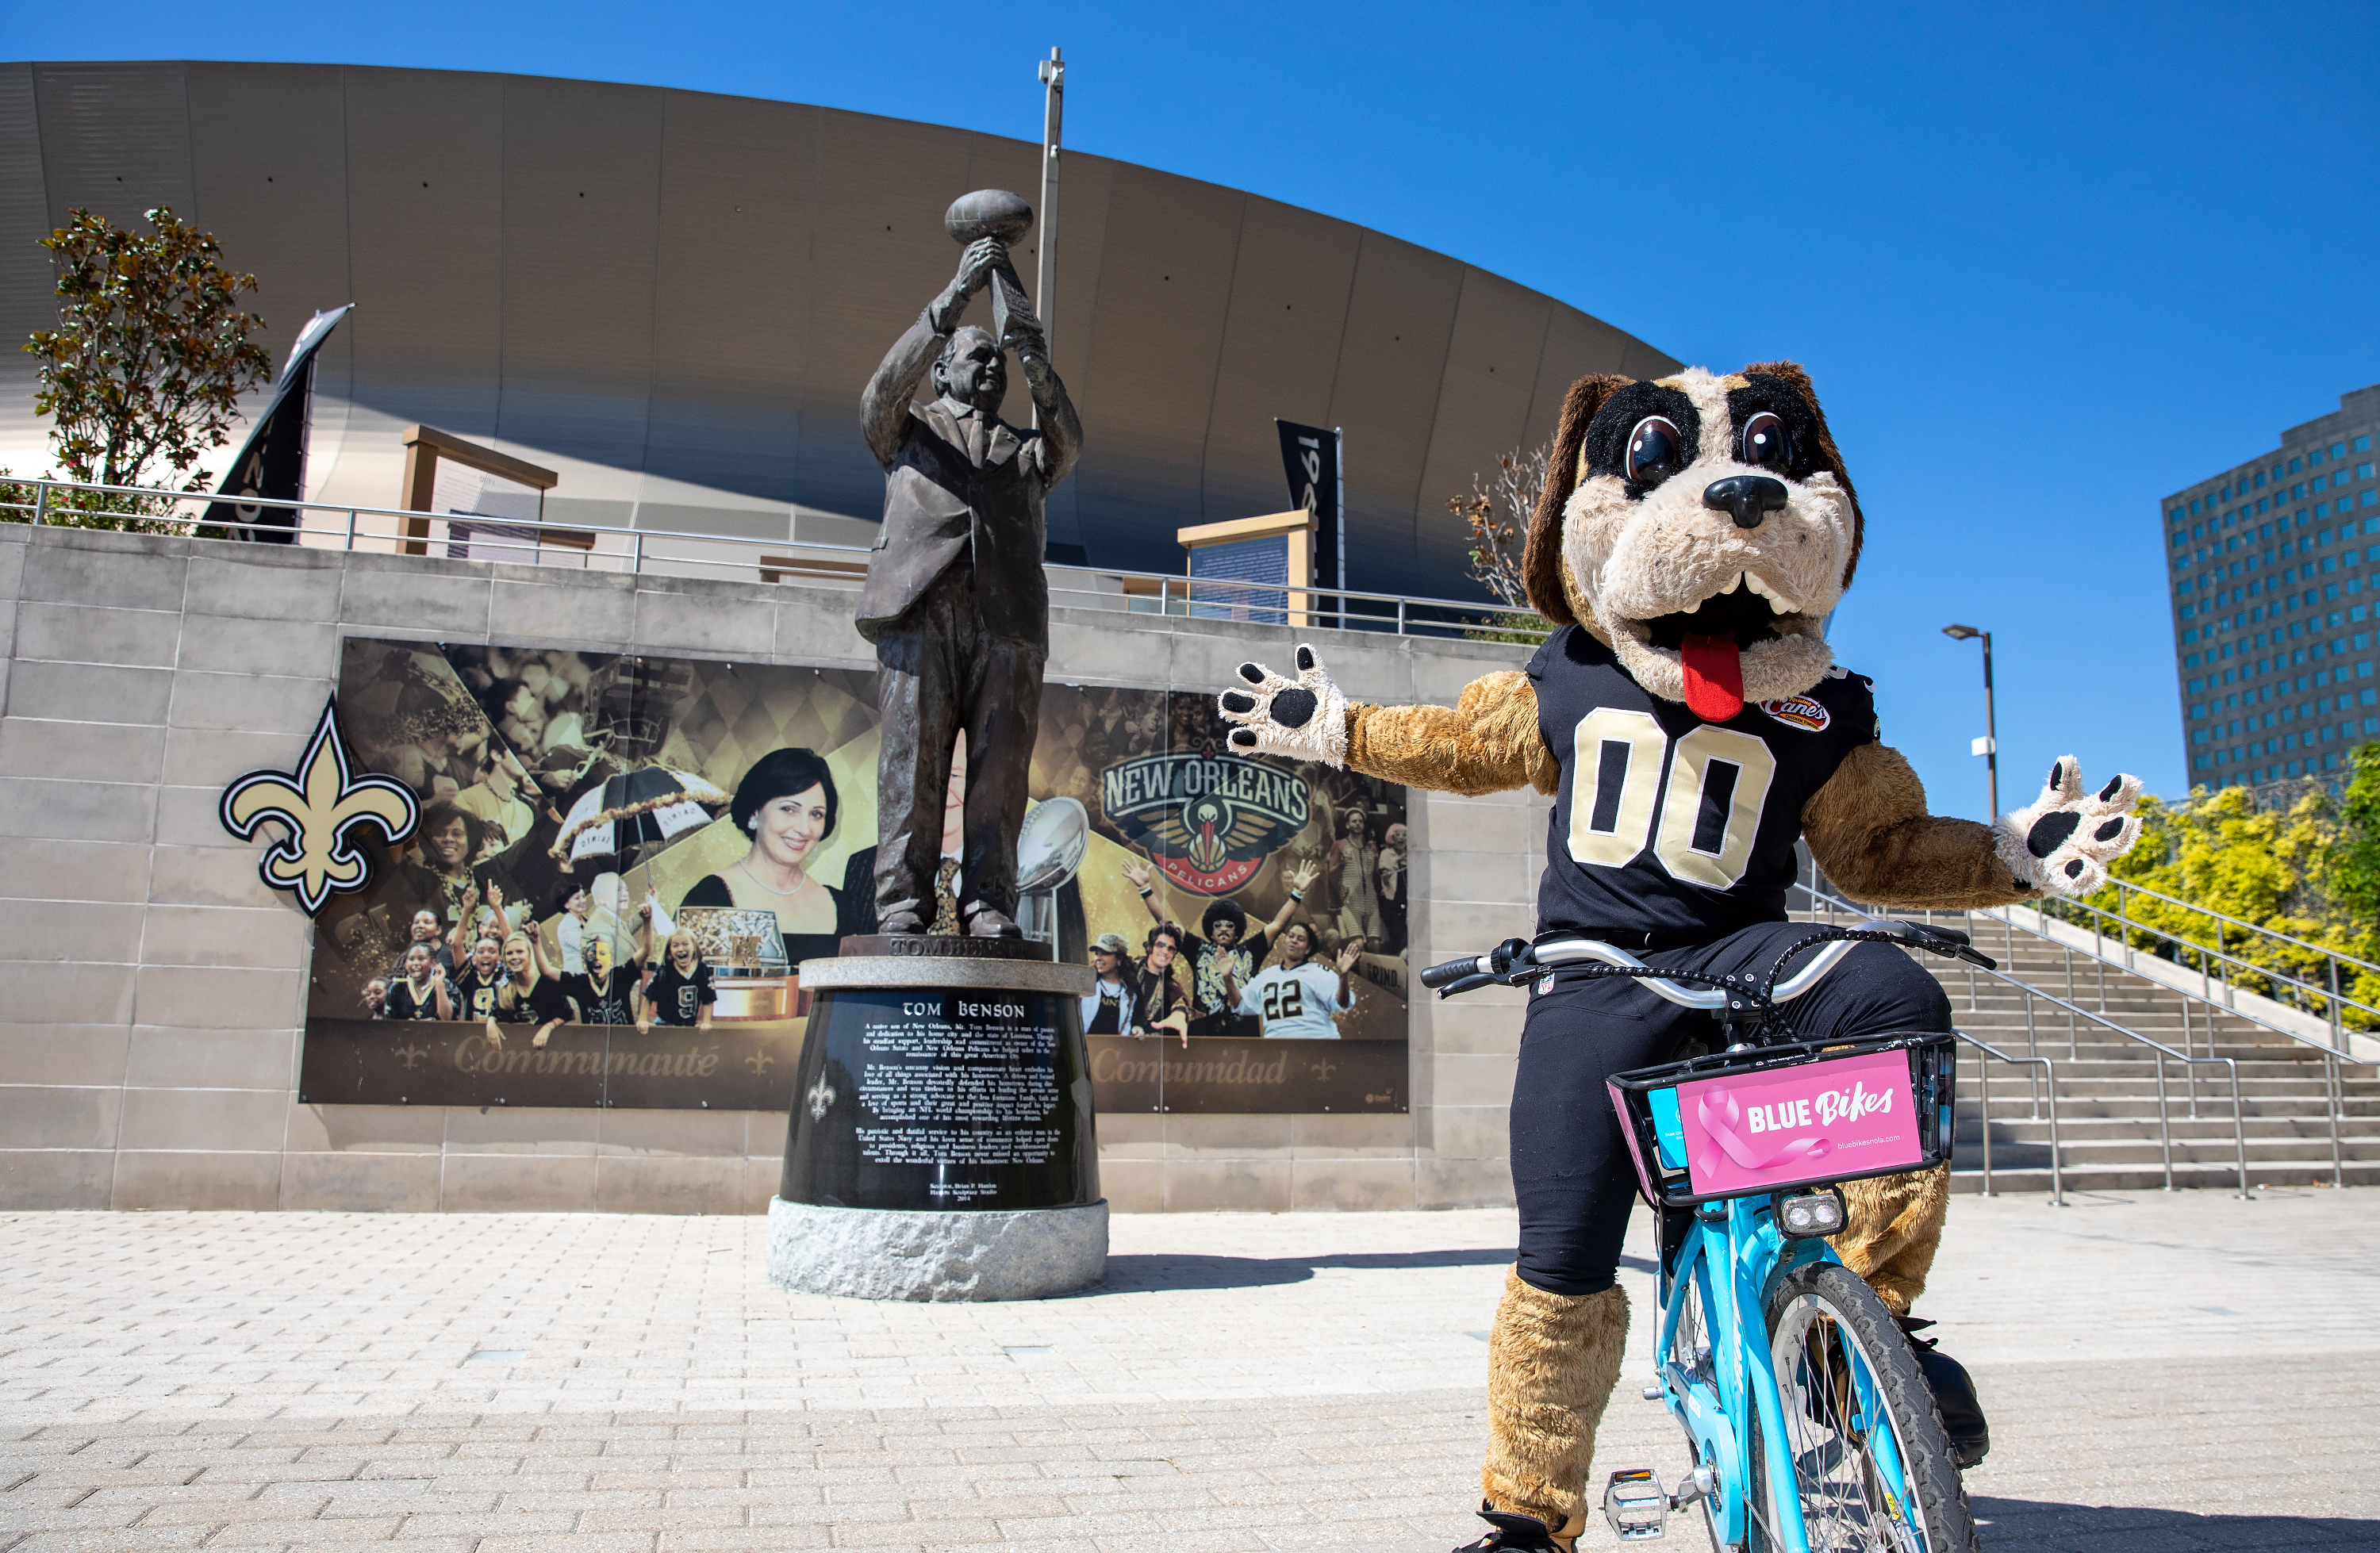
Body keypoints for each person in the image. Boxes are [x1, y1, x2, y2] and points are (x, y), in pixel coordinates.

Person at [856, 229, 1081, 938]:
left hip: (1006, 624)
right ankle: (902, 904)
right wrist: (953, 300)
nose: (992, 369)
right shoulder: (909, 430)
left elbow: (1068, 434)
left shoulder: (1027, 452)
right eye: (976, 358)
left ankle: (987, 901)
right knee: (911, 766)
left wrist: (1028, 344)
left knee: (999, 776)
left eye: (998, 363)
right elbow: (880, 390)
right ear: (943, 369)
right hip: (923, 611)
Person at [681, 747, 857, 964]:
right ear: (755, 812)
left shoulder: (842, 905)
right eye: (788, 809)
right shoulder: (708, 900)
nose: (804, 828)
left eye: (816, 814)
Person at [1123, 857, 1319, 1037]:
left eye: (1229, 925)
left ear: (1237, 931)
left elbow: (1277, 925)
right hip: (1203, 1033)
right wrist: (1145, 888)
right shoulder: (1198, 949)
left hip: (1245, 1034)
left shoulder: (1251, 950)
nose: (1224, 929)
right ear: (1211, 930)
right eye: (1218, 925)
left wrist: (1297, 893)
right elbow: (1167, 924)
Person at [1226, 922, 1360, 1039]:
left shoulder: (1318, 972)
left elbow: (1342, 1003)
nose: (1294, 941)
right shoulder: (1267, 975)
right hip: (1280, 1052)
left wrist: (1343, 977)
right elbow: (1240, 1004)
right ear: (1285, 941)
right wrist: (1227, 978)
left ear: (1308, 949)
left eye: (1300, 939)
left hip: (1318, 1046)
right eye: (1291, 936)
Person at [491, 933, 574, 1049]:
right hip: (518, 1050)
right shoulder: (505, 987)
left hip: (550, 1049)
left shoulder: (548, 982)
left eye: (520, 952)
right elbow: (495, 1013)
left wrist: (548, 1027)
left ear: (530, 954)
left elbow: (567, 1014)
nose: (514, 957)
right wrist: (491, 1023)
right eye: (509, 953)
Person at [638, 929, 716, 1032]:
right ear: (669, 950)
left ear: (694, 947)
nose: (680, 949)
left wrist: (706, 1023)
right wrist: (642, 1020)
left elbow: (708, 999)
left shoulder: (702, 969)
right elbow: (648, 996)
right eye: (675, 946)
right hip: (665, 1023)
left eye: (685, 944)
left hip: (688, 1025)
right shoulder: (665, 970)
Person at [1329, 808, 1384, 953]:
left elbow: (1375, 875)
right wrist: (1340, 869)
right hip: (1351, 902)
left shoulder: (1370, 847)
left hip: (1371, 902)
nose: (1358, 824)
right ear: (1347, 825)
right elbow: (1330, 872)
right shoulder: (1340, 845)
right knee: (1357, 943)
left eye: (1360, 821)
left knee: (1375, 944)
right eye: (1354, 821)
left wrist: (1378, 861)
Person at [1129, 922, 1192, 1046]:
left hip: (1149, 1050)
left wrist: (1179, 1016)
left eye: (1171, 948)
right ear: (1150, 947)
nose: (1165, 951)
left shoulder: (1172, 986)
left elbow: (1180, 1004)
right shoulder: (1129, 970)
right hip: (1118, 1042)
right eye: (1160, 945)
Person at [560, 936, 636, 1030]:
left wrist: (647, 922)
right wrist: (536, 942)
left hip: (624, 1039)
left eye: (602, 953)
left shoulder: (620, 976)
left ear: (611, 960)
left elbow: (645, 951)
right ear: (584, 963)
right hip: (593, 1040)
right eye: (591, 955)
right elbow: (547, 971)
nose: (597, 958)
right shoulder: (580, 983)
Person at [1081, 931, 1137, 1035]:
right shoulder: (1085, 985)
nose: (1098, 958)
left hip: (1114, 1050)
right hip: (1087, 1047)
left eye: (1105, 953)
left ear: (1119, 959)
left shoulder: (1130, 993)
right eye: (1097, 954)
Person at [382, 941, 455, 1022]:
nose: (416, 963)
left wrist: (439, 984)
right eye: (411, 959)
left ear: (432, 963)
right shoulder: (397, 988)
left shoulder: (446, 985)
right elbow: (389, 1023)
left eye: (421, 959)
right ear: (406, 964)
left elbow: (447, 1019)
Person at [450, 934, 509, 1026]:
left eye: (492, 952)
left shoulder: (503, 976)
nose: (486, 955)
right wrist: (465, 918)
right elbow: (457, 944)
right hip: (472, 1034)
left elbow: (511, 940)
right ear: (473, 959)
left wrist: (501, 918)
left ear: (500, 958)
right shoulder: (469, 978)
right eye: (481, 952)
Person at [386, 908, 455, 981]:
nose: (420, 926)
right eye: (416, 922)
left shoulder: (450, 954)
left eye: (427, 922)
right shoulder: (403, 959)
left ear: (438, 930)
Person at [1378, 821, 1409, 957]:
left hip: (1406, 899)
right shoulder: (1386, 854)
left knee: (1405, 932)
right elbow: (1384, 877)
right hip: (1390, 900)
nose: (1401, 838)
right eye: (1397, 835)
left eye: (1404, 835)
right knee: (1395, 933)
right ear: (1392, 837)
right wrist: (1396, 862)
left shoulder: (1410, 855)